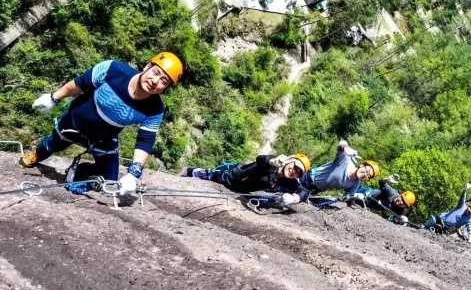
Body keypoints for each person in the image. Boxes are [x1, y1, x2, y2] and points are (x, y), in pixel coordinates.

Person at [21, 52, 183, 196]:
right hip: (77, 120)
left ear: (165, 89)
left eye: (163, 81)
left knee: (110, 180)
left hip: (104, 136)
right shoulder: (113, 69)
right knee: (52, 144)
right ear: (147, 66)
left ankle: (79, 171)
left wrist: (134, 173)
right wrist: (53, 98)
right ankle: (36, 154)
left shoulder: (155, 109)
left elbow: (145, 140)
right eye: (155, 73)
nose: (155, 81)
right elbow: (79, 84)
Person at [182, 153, 312, 205]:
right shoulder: (273, 162)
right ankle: (186, 172)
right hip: (231, 175)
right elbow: (261, 159)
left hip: (240, 189)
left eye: (299, 173)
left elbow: (304, 191)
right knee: (208, 174)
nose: (294, 172)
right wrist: (272, 161)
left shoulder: (289, 181)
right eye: (295, 167)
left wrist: (295, 198)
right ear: (289, 160)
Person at [301, 140, 380, 201]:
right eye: (366, 170)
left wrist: (355, 198)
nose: (365, 174)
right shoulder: (345, 160)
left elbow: (348, 198)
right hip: (307, 178)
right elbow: (341, 144)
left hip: (314, 190)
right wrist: (346, 148)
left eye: (368, 176)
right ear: (362, 165)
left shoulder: (355, 184)